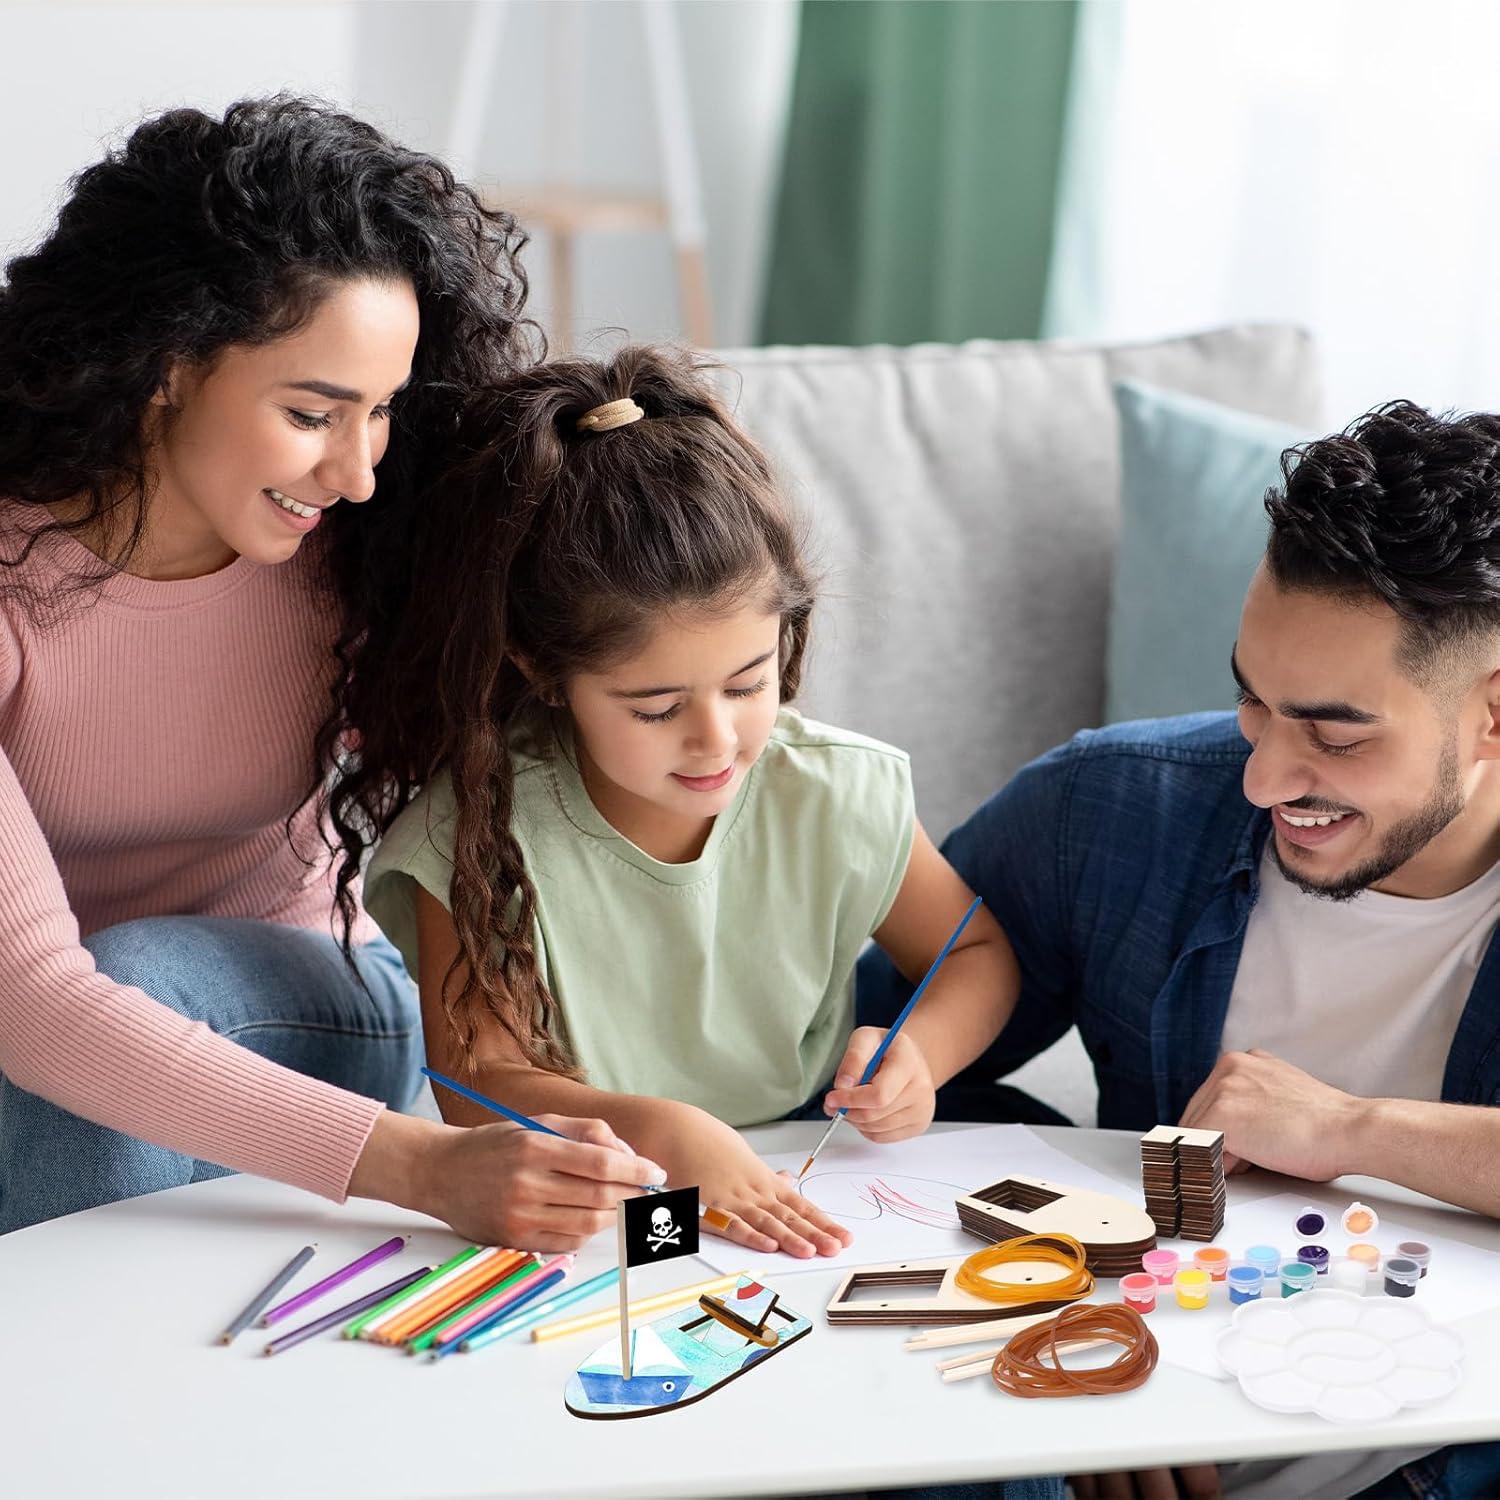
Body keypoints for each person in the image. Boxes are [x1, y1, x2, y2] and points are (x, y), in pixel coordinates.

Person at [0, 96, 665, 1242]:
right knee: (89, 1026)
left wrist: (430, 1161)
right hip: (51, 1038)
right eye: (314, 413)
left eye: (384, 414)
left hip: (311, 1005)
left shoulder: (368, 549)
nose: (356, 472)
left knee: (138, 976)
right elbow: (37, 1005)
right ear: (165, 367)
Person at [859, 401, 1500, 1498]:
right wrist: (1076, 1321)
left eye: (1334, 736)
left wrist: (1354, 1129)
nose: (1261, 779)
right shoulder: (1112, 811)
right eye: (1254, 701)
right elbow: (864, 1095)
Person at [344, 344, 1023, 1261]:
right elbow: (477, 1083)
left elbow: (974, 954)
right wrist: (667, 1133)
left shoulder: (835, 791)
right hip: (601, 1194)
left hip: (809, 1169)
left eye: (749, 684)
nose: (715, 740)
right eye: (656, 708)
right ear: (544, 673)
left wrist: (921, 1057)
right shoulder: (477, 830)